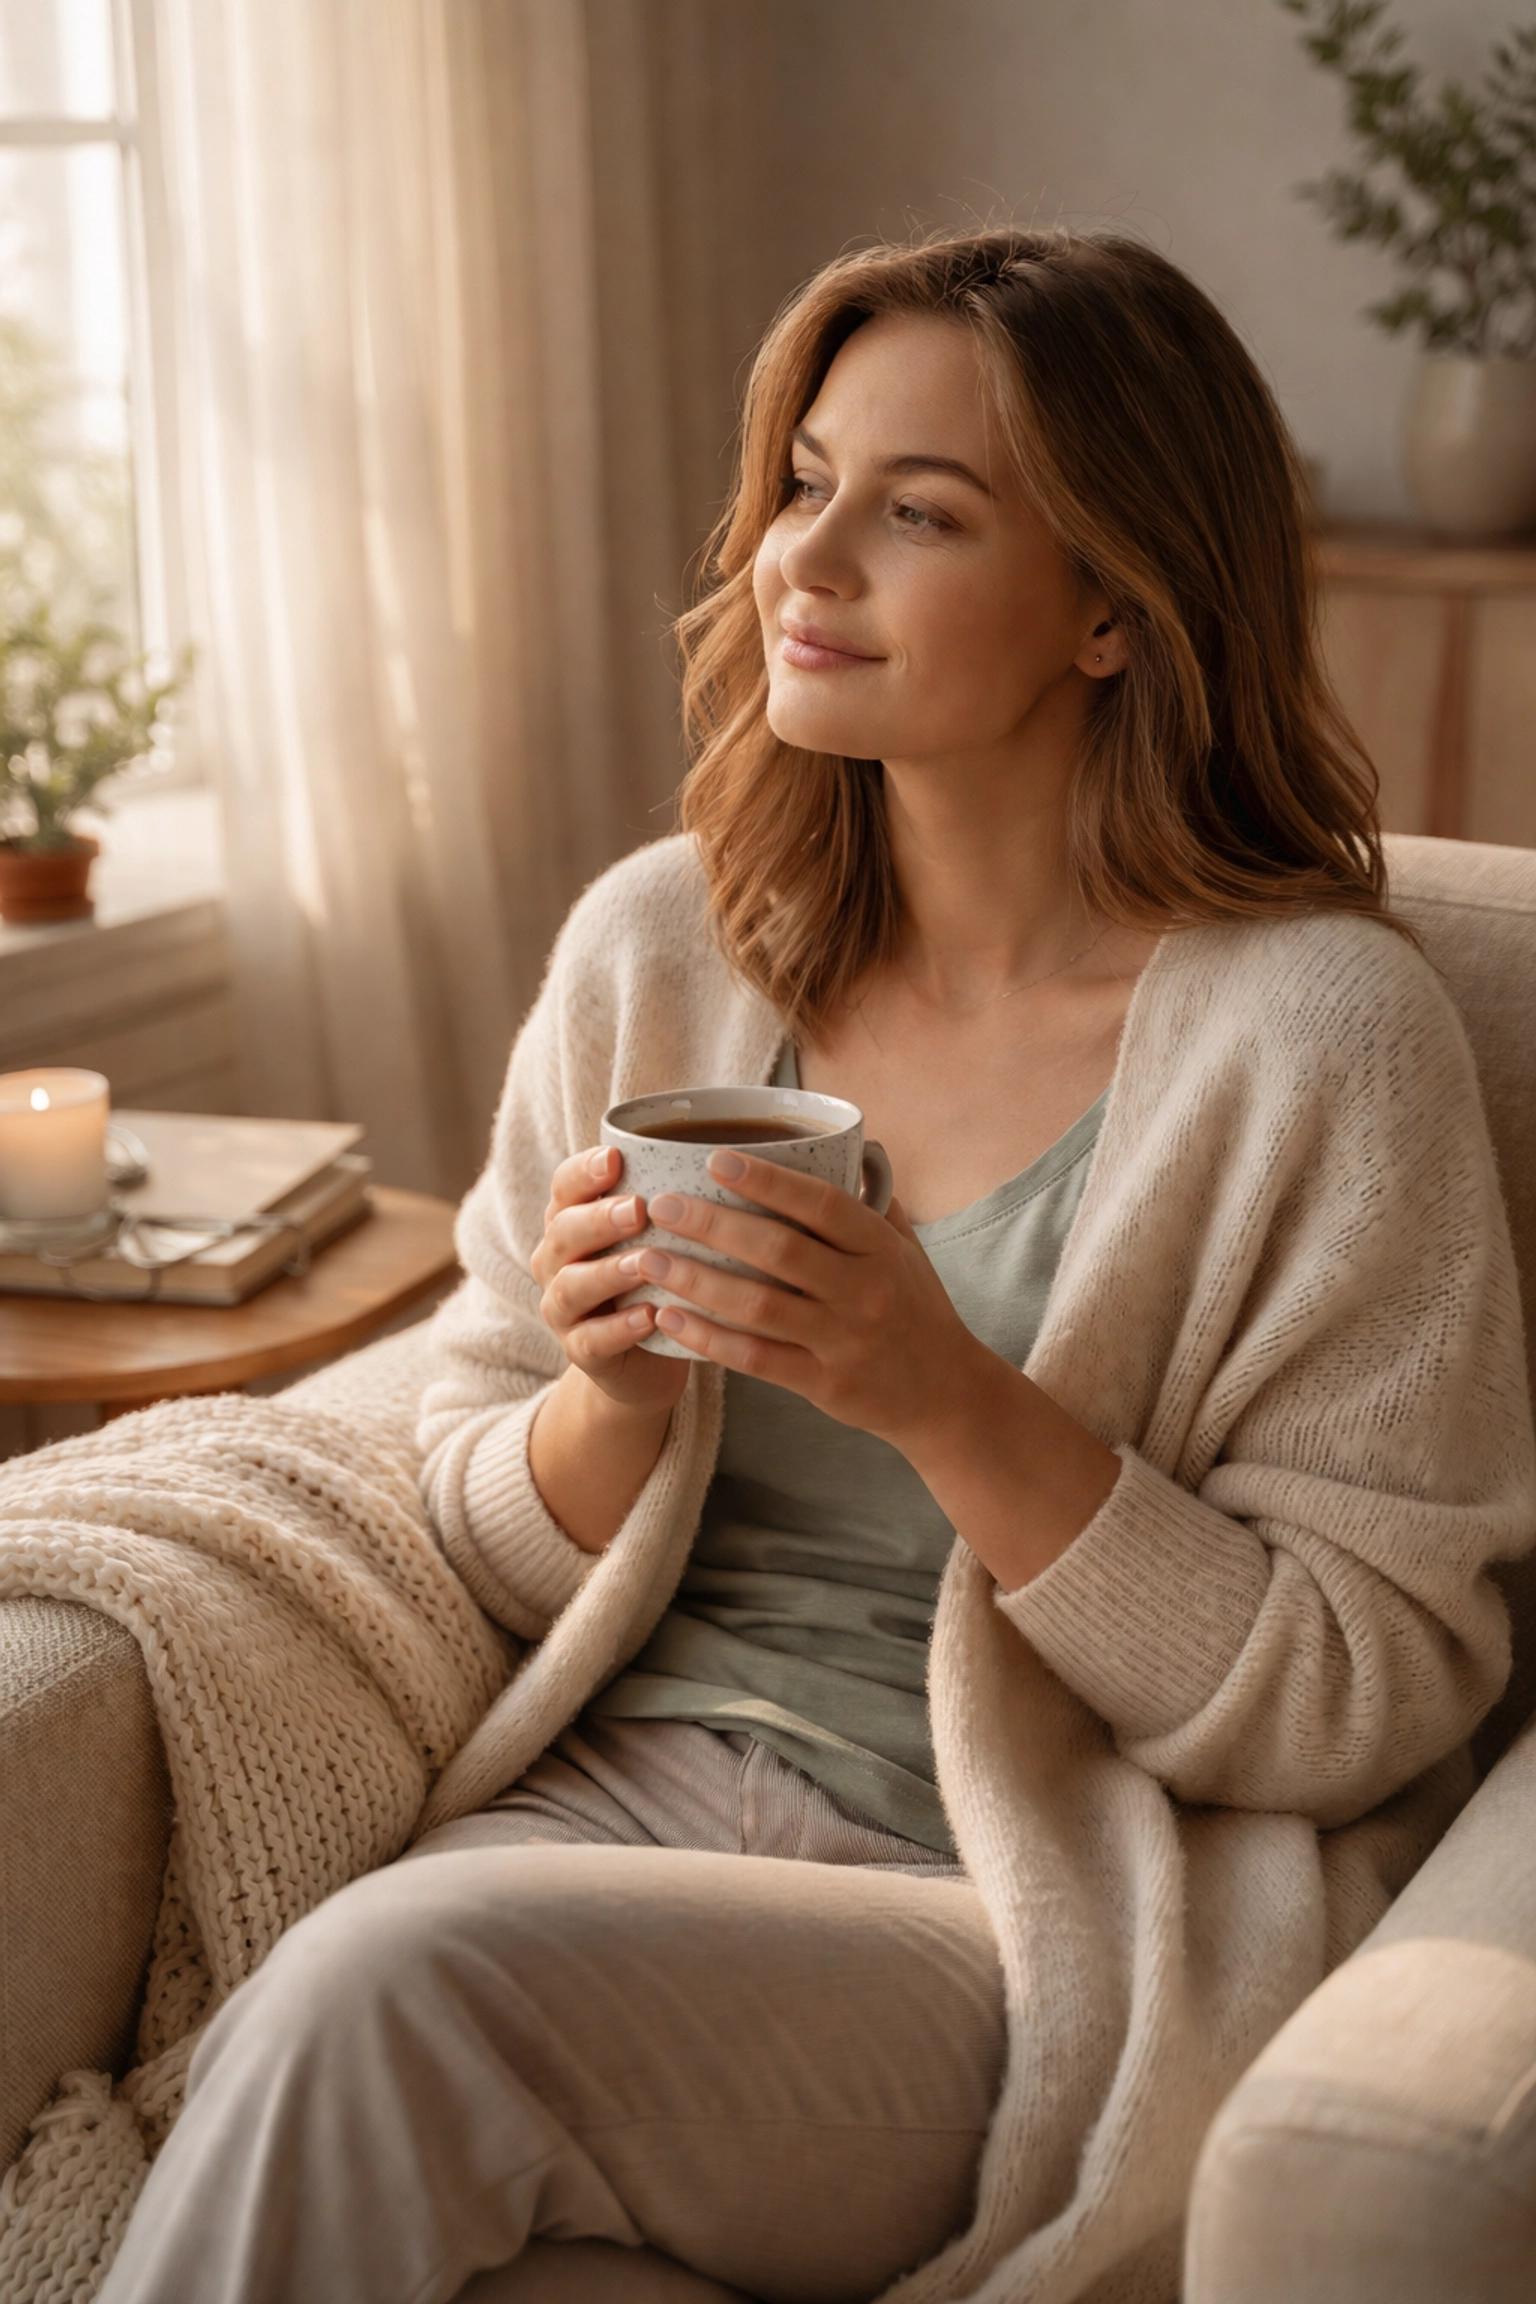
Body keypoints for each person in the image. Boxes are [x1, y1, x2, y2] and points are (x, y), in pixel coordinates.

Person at [99, 231, 1535, 2304]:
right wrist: (605, 1401)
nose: (807, 553)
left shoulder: (1323, 1037)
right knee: (367, 2007)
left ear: (1119, 604)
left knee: (389, 1991)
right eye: (804, 481)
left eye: (918, 511)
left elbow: (1369, 1693)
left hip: (1006, 1899)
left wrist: (939, 1391)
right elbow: (481, 1522)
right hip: (595, 1816)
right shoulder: (661, 950)